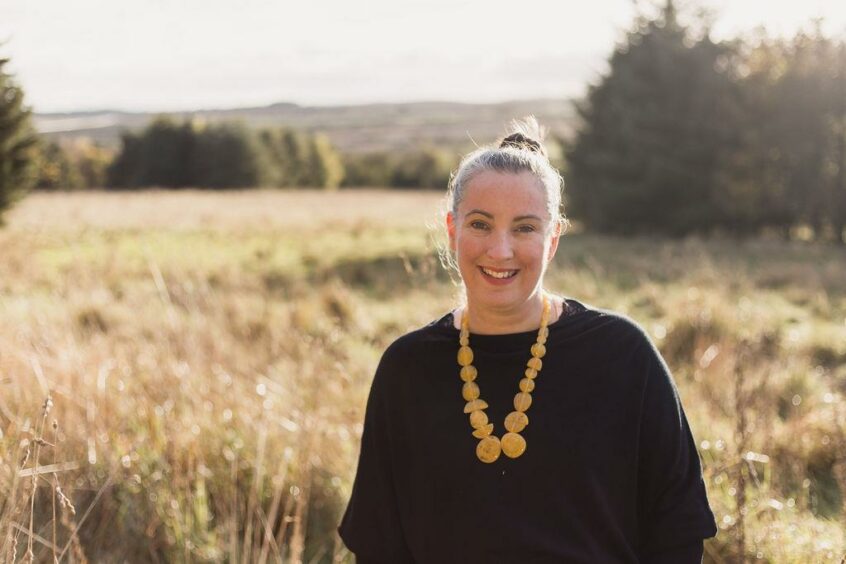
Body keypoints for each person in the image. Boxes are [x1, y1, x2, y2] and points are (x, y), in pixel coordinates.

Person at [337, 117, 717, 563]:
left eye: (524, 228)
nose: (500, 251)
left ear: (552, 238)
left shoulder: (623, 355)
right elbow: (380, 548)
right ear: (452, 229)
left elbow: (677, 531)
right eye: (480, 224)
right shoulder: (407, 369)